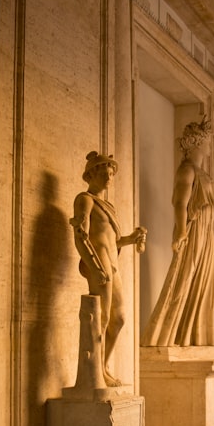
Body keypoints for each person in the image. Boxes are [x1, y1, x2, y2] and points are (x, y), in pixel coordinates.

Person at [142, 116, 214, 347]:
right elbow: (180, 203)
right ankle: (169, 334)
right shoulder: (187, 169)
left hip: (206, 234)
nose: (210, 145)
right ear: (196, 142)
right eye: (207, 141)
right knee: (185, 281)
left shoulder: (202, 174)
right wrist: (181, 232)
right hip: (194, 233)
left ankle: (211, 333)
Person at [71, 151, 147, 386]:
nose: (109, 176)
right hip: (99, 262)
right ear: (92, 174)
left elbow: (111, 241)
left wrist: (131, 238)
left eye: (111, 172)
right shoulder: (85, 199)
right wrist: (93, 266)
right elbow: (80, 236)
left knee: (120, 318)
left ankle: (103, 365)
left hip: (112, 262)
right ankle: (96, 372)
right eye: (104, 171)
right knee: (101, 318)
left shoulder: (108, 206)